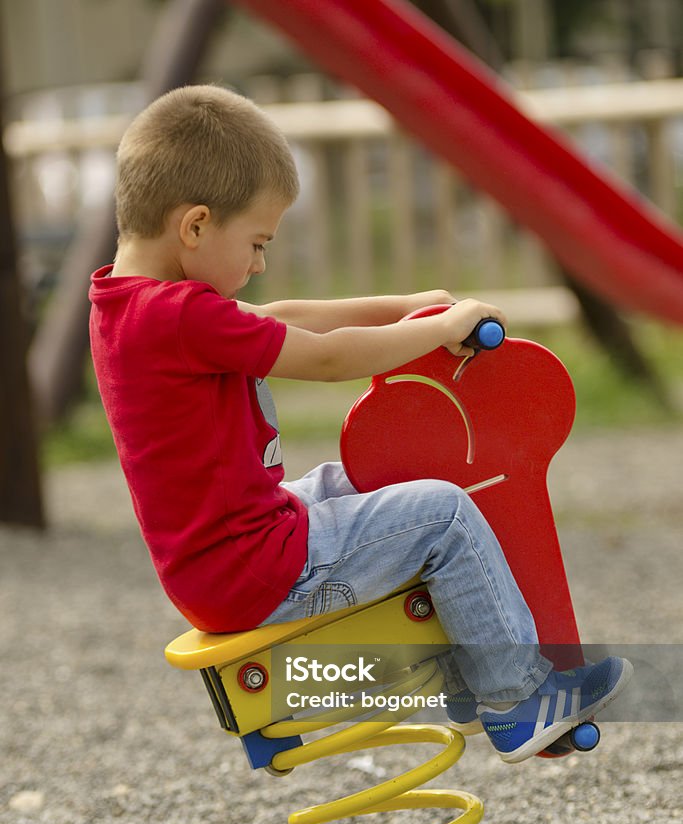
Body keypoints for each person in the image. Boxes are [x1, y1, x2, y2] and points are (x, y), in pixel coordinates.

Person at [89, 85, 631, 763]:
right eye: (256, 243)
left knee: (367, 480)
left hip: (229, 556)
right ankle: (517, 699)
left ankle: (472, 665)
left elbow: (282, 316)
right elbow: (322, 356)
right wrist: (436, 329)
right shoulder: (177, 316)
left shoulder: (127, 304)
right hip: (255, 572)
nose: (258, 264)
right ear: (195, 226)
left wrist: (405, 308)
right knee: (440, 513)